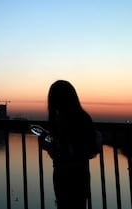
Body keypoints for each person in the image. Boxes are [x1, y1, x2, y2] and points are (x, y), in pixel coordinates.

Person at [46, 80, 100, 209]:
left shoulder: (61, 120)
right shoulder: (83, 117)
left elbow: (64, 151)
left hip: (64, 173)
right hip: (81, 173)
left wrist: (49, 145)